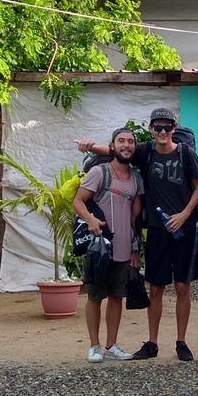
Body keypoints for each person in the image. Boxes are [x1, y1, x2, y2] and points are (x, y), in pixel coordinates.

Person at [75, 107, 198, 362]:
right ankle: (152, 342)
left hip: (183, 229)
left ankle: (181, 341)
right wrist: (90, 147)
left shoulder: (187, 154)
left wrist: (185, 214)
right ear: (151, 130)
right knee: (156, 287)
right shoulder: (145, 152)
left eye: (168, 127)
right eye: (158, 127)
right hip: (157, 230)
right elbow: (117, 151)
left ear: (174, 130)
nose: (163, 131)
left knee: (182, 286)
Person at [73, 127, 143, 364]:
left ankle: (112, 344)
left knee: (116, 297)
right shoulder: (98, 172)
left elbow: (135, 217)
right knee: (95, 296)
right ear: (112, 146)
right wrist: (91, 220)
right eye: (121, 141)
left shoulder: (136, 178)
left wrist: (135, 248)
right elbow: (78, 201)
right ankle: (94, 346)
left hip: (122, 248)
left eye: (130, 142)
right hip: (99, 248)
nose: (126, 145)